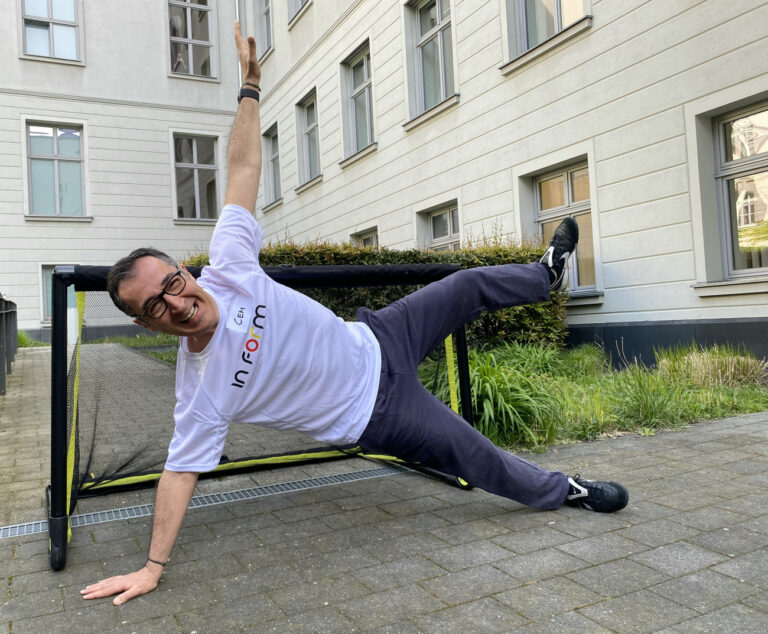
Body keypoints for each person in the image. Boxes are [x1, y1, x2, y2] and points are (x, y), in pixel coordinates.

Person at [81, 21, 628, 606]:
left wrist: (248, 88)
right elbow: (179, 474)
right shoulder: (202, 389)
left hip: (379, 334)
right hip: (377, 412)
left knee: (464, 283)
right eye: (155, 306)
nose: (177, 302)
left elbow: (241, 172)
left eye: (173, 282)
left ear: (184, 271)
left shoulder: (228, 265)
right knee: (476, 455)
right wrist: (151, 567)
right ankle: (567, 491)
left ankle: (542, 275)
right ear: (145, 323)